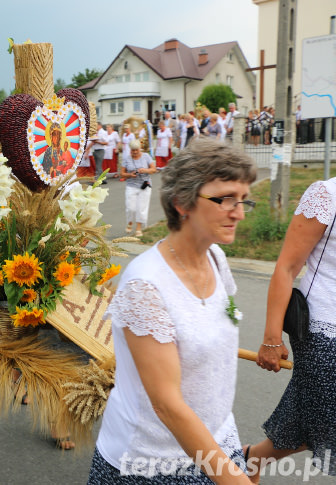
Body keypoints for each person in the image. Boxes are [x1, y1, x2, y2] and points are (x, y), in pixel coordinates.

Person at [88, 138, 257, 483]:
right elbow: (167, 404)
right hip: (153, 462)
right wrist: (233, 479)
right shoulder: (145, 286)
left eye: (243, 200)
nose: (238, 212)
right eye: (225, 198)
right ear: (182, 202)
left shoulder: (216, 259)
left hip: (217, 439)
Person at [245, 176, 336, 480]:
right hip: (324, 332)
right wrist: (272, 339)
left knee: (310, 418)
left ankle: (248, 460)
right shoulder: (326, 195)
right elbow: (286, 268)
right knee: (323, 419)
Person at [120, 140, 156, 237]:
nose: (135, 152)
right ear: (130, 150)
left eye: (136, 150)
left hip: (144, 185)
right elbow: (122, 173)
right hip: (131, 185)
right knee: (130, 207)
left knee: (141, 208)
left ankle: (139, 228)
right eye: (133, 150)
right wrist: (130, 174)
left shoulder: (146, 156)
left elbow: (153, 169)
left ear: (140, 149)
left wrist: (145, 170)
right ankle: (130, 222)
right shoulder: (127, 159)